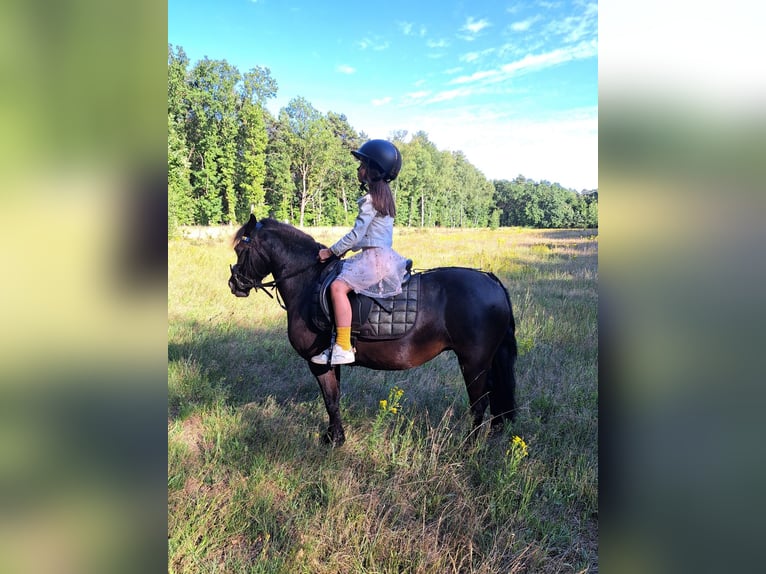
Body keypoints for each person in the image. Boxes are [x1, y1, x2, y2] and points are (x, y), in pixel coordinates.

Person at [311, 139, 409, 365]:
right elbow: (369, 237)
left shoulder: (370, 200)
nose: (358, 169)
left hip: (373, 259)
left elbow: (357, 234)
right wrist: (347, 250)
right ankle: (334, 341)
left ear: (372, 171)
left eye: (362, 165)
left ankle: (344, 346)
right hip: (381, 255)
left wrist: (332, 251)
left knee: (337, 288)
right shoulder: (384, 198)